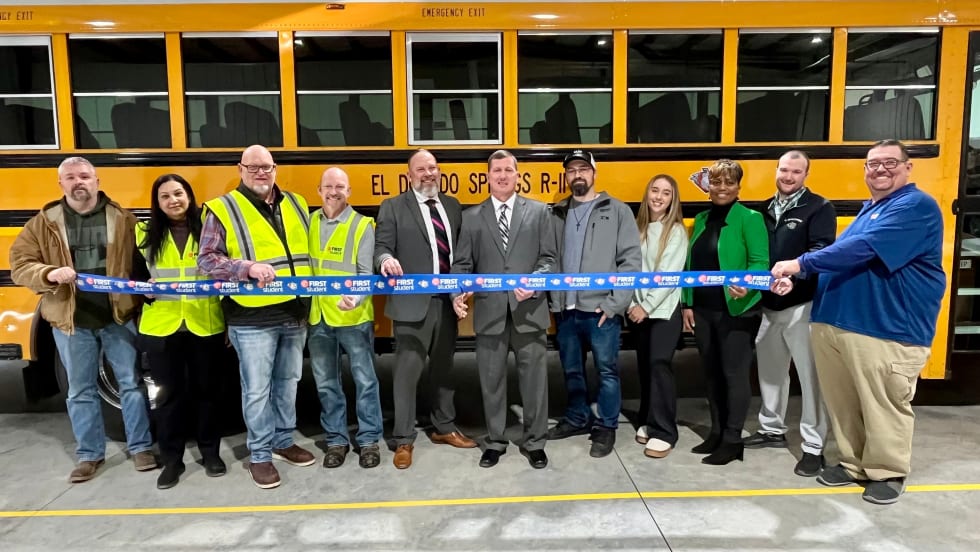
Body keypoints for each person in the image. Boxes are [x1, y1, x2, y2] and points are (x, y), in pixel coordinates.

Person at [772, 139, 945, 505]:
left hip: (885, 328)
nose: (880, 169)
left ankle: (887, 470)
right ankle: (852, 463)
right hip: (839, 325)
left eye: (889, 163)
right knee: (845, 402)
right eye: (872, 164)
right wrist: (798, 279)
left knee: (882, 403)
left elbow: (861, 251)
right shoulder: (871, 210)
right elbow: (839, 260)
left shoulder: (916, 207)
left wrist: (799, 264)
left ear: (908, 167)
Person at [10, 156, 155, 483]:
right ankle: (89, 455)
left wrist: (149, 289)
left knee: (131, 384)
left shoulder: (122, 219)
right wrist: (48, 273)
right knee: (80, 390)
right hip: (71, 321)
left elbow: (141, 263)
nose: (79, 182)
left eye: (85, 176)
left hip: (117, 317)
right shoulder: (44, 222)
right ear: (61, 184)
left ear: (97, 181)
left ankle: (141, 447)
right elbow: (20, 265)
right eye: (71, 177)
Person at [198, 145, 316, 489]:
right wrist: (246, 268)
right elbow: (206, 259)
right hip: (250, 318)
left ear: (275, 168)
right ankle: (260, 455)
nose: (261, 173)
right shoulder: (223, 209)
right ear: (240, 169)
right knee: (256, 390)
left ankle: (282, 441)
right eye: (253, 167)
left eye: (267, 166)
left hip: (294, 311)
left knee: (288, 383)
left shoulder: (295, 203)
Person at [451, 150, 557, 469]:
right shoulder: (471, 217)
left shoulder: (540, 212)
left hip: (530, 311)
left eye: (508, 170)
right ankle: (495, 441)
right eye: (496, 170)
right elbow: (462, 264)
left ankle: (535, 442)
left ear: (517, 175)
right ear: (487, 176)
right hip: (490, 314)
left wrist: (536, 282)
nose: (502, 175)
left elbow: (550, 259)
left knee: (535, 383)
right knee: (492, 382)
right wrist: (459, 291)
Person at [375, 149, 477, 470]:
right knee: (407, 373)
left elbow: (460, 254)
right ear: (409, 176)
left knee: (444, 369)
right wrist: (385, 260)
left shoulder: (452, 206)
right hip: (410, 304)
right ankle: (404, 438)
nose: (428, 173)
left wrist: (462, 287)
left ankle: (443, 427)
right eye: (421, 169)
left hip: (446, 303)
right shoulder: (393, 207)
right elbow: (382, 247)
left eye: (433, 167)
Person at [132, 174, 227, 489]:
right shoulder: (144, 233)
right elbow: (131, 276)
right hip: (163, 326)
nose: (173, 200)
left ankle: (210, 453)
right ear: (157, 203)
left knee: (208, 392)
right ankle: (172, 459)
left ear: (189, 196)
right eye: (165, 196)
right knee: (167, 396)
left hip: (205, 323)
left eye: (178, 193)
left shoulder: (210, 230)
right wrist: (139, 289)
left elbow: (224, 274)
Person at [547, 150, 642, 458]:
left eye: (583, 168)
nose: (578, 174)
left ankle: (606, 426)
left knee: (607, 370)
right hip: (566, 310)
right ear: (566, 175)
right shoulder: (557, 212)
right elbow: (548, 259)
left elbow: (630, 261)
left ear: (594, 173)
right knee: (571, 369)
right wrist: (553, 299)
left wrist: (615, 304)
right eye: (572, 169)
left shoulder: (616, 210)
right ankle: (577, 417)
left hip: (601, 311)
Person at [746, 151, 836, 477]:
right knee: (770, 373)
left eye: (796, 172)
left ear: (805, 174)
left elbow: (821, 251)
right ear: (777, 170)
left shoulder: (819, 207)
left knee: (811, 378)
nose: (788, 176)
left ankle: (813, 447)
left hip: (803, 305)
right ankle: (771, 428)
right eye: (784, 170)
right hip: (768, 305)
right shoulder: (763, 209)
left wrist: (794, 275)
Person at [681, 159, 769, 466]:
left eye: (729, 182)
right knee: (711, 373)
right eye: (716, 182)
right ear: (708, 187)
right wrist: (687, 304)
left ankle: (733, 440)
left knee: (734, 375)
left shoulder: (750, 218)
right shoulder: (702, 219)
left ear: (738, 186)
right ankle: (716, 432)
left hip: (737, 311)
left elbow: (760, 263)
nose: (722, 188)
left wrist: (747, 285)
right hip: (704, 310)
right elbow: (690, 267)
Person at [307, 167, 384, 470]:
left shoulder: (362, 224)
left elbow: (367, 274)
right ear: (319, 190)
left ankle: (368, 440)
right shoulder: (309, 222)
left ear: (349, 192)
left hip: (354, 316)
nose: (334, 192)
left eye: (340, 186)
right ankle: (336, 440)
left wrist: (356, 297)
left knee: (365, 380)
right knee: (326, 383)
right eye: (328, 186)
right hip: (318, 317)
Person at [627, 174, 688, 459]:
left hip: (662, 311)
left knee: (659, 365)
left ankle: (665, 431)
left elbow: (667, 276)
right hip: (638, 310)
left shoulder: (674, 231)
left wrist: (646, 306)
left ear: (672, 199)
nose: (659, 197)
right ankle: (648, 421)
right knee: (645, 367)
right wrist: (631, 303)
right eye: (655, 190)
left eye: (666, 193)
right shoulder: (637, 228)